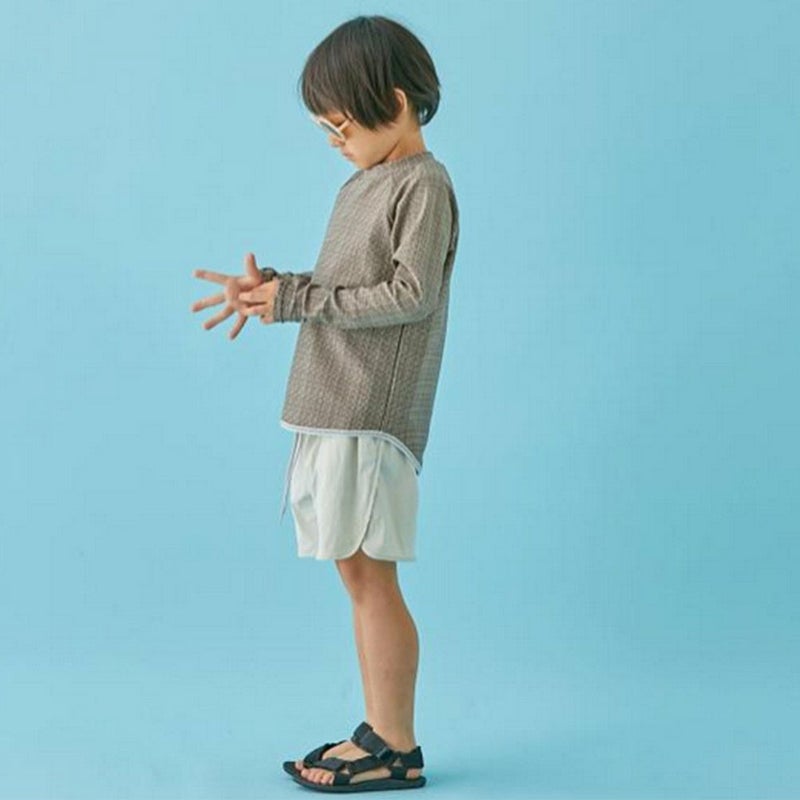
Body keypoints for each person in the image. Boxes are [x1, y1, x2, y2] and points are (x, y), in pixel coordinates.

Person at [191, 14, 459, 793]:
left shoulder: (423, 184)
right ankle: (380, 732)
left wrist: (295, 300)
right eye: (325, 130)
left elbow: (410, 295)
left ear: (396, 103)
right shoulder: (364, 183)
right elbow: (346, 286)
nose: (335, 142)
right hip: (335, 406)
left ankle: (396, 746)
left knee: (371, 576)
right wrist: (274, 289)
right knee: (358, 574)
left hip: (369, 412)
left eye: (342, 125)